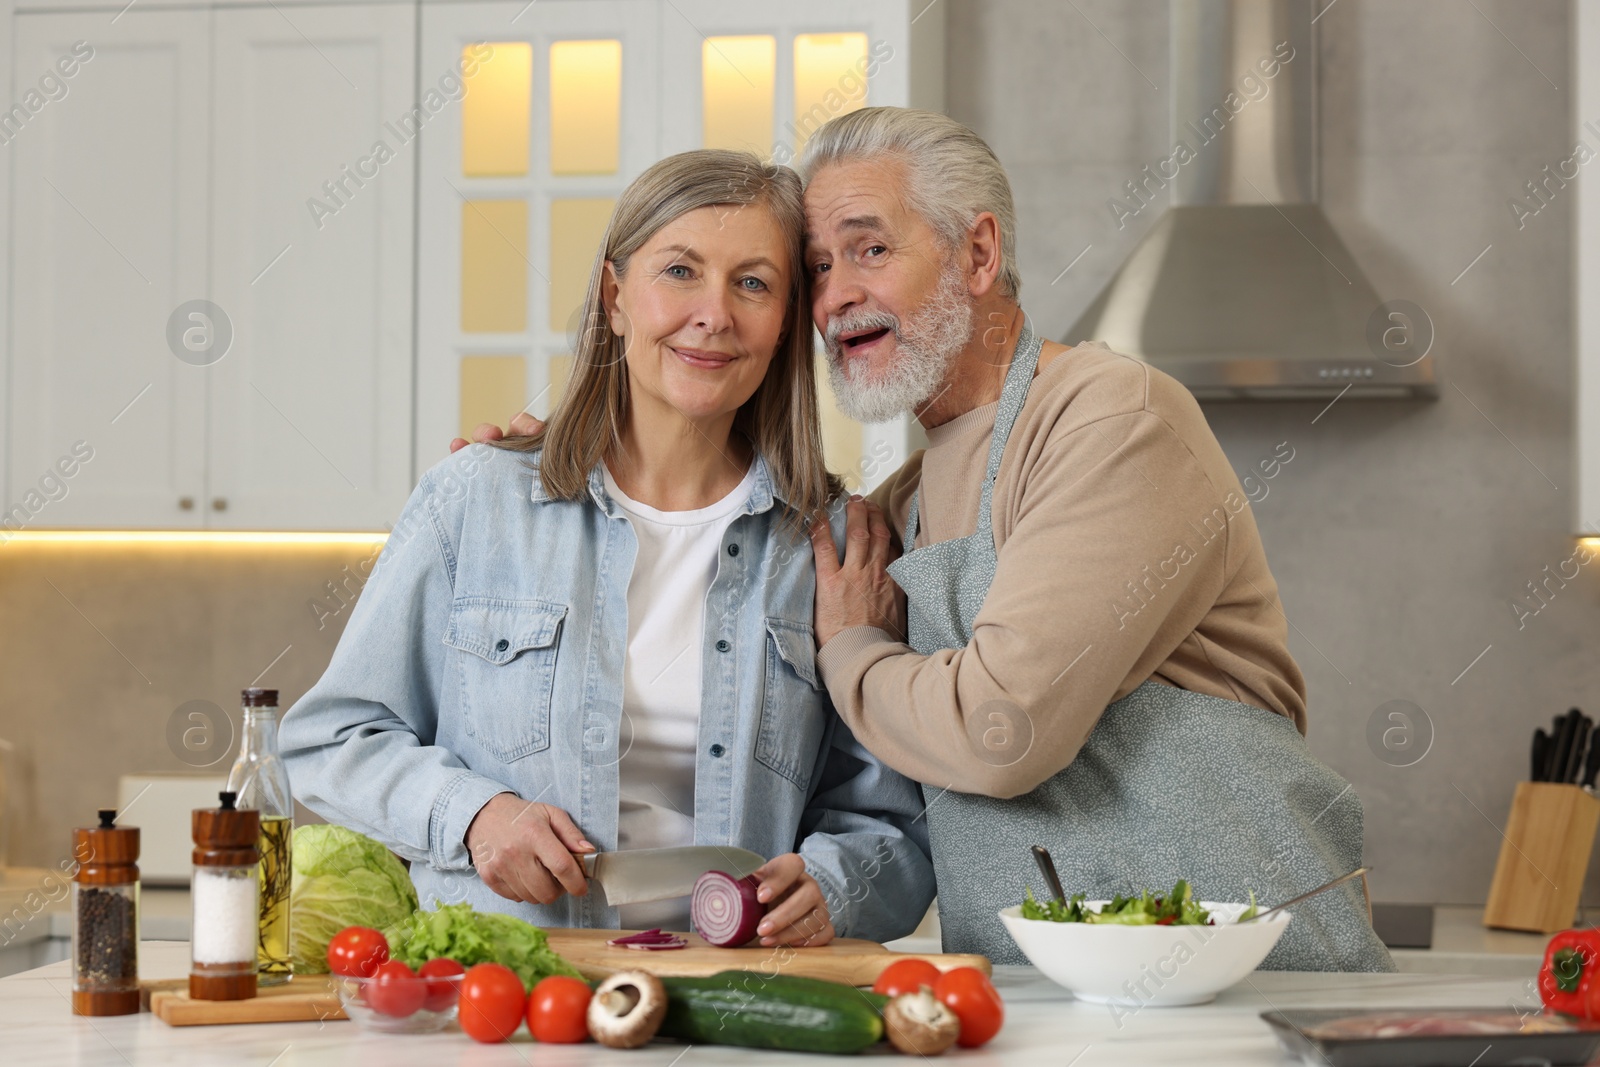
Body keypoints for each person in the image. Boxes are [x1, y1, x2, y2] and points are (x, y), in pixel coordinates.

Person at [470, 111, 1392, 972]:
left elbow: (1003, 732)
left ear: (979, 252)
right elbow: (885, 801)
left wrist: (854, 647)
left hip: (1234, 968)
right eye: (817, 267)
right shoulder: (892, 507)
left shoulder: (1110, 420)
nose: (835, 297)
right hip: (1039, 981)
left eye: (869, 248)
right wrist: (540, 464)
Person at [283, 149, 935, 947]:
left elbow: (895, 821)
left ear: (787, 323)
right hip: (517, 995)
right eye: (681, 270)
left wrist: (833, 886)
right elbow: (331, 737)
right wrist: (476, 816)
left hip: (736, 1000)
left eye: (753, 283)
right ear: (615, 295)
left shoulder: (831, 547)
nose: (715, 314)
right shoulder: (474, 501)